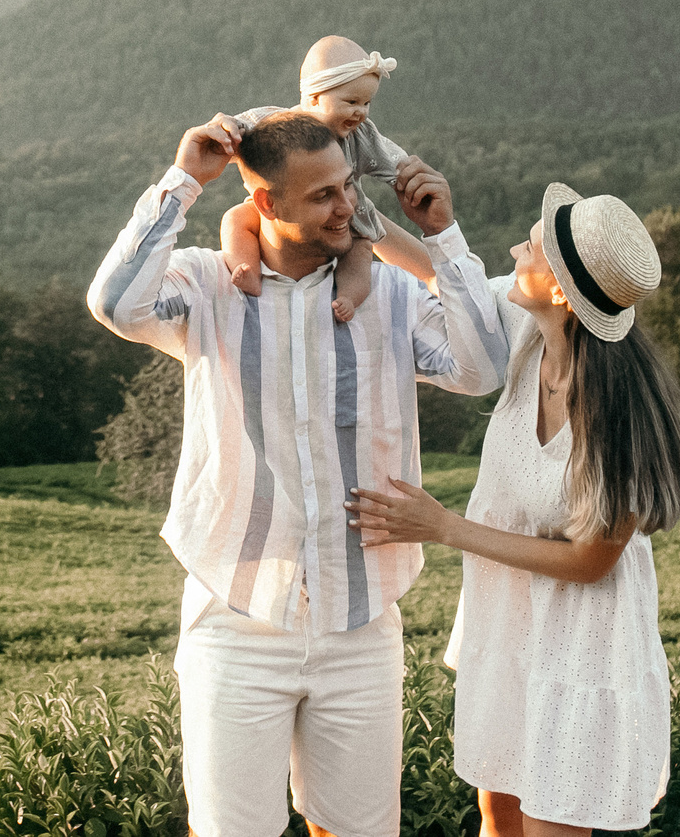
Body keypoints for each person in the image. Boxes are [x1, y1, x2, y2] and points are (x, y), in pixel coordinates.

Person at [89, 109, 511, 837]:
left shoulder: (391, 295)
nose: (347, 205)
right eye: (323, 195)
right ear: (266, 204)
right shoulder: (207, 287)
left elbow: (483, 367)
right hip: (237, 618)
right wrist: (185, 177)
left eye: (347, 185)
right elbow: (114, 301)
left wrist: (442, 234)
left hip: (362, 620)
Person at [345, 183, 680, 837]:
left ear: (562, 291)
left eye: (531, 247)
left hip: (581, 641)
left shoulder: (617, 414)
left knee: (549, 827)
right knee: (498, 812)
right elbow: (444, 276)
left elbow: (589, 562)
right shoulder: (529, 330)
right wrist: (364, 212)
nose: (515, 249)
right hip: (510, 623)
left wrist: (444, 526)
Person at [222, 36, 436, 323]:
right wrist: (223, 131)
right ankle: (245, 268)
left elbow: (390, 156)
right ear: (313, 98)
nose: (360, 112)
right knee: (236, 219)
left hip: (355, 222)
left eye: (366, 103)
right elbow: (244, 124)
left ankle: (349, 296)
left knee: (360, 251)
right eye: (351, 102)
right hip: (276, 213)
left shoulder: (361, 135)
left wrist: (409, 177)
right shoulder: (281, 124)